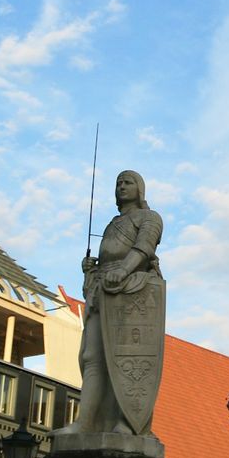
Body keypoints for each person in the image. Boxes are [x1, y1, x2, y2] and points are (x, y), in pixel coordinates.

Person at [66, 170, 165, 436]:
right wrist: (90, 268)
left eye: (128, 182)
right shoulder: (112, 222)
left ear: (140, 189)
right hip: (103, 288)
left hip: (131, 289)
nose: (122, 186)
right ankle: (85, 422)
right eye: (118, 183)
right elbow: (107, 256)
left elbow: (145, 248)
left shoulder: (150, 218)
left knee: (126, 359)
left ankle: (129, 422)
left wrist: (124, 270)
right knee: (92, 357)